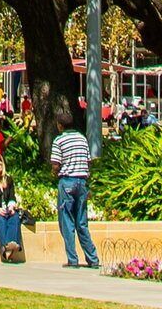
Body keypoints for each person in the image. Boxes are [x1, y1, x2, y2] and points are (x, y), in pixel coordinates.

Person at [51, 116, 98, 270]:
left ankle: (72, 259)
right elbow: (88, 161)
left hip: (67, 182)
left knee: (67, 221)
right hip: (82, 182)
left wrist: (54, 172)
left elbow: (56, 164)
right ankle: (93, 258)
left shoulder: (59, 140)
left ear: (60, 125)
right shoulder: (82, 139)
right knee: (82, 222)